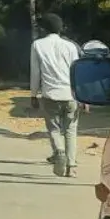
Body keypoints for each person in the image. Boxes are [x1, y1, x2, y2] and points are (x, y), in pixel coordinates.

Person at [30, 13, 84, 177]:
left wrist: (33, 94)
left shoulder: (37, 45)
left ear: (44, 29)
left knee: (53, 128)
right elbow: (77, 72)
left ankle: (59, 152)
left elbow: (35, 73)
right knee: (70, 130)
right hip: (70, 94)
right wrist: (82, 95)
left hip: (50, 94)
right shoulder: (70, 46)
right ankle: (71, 166)